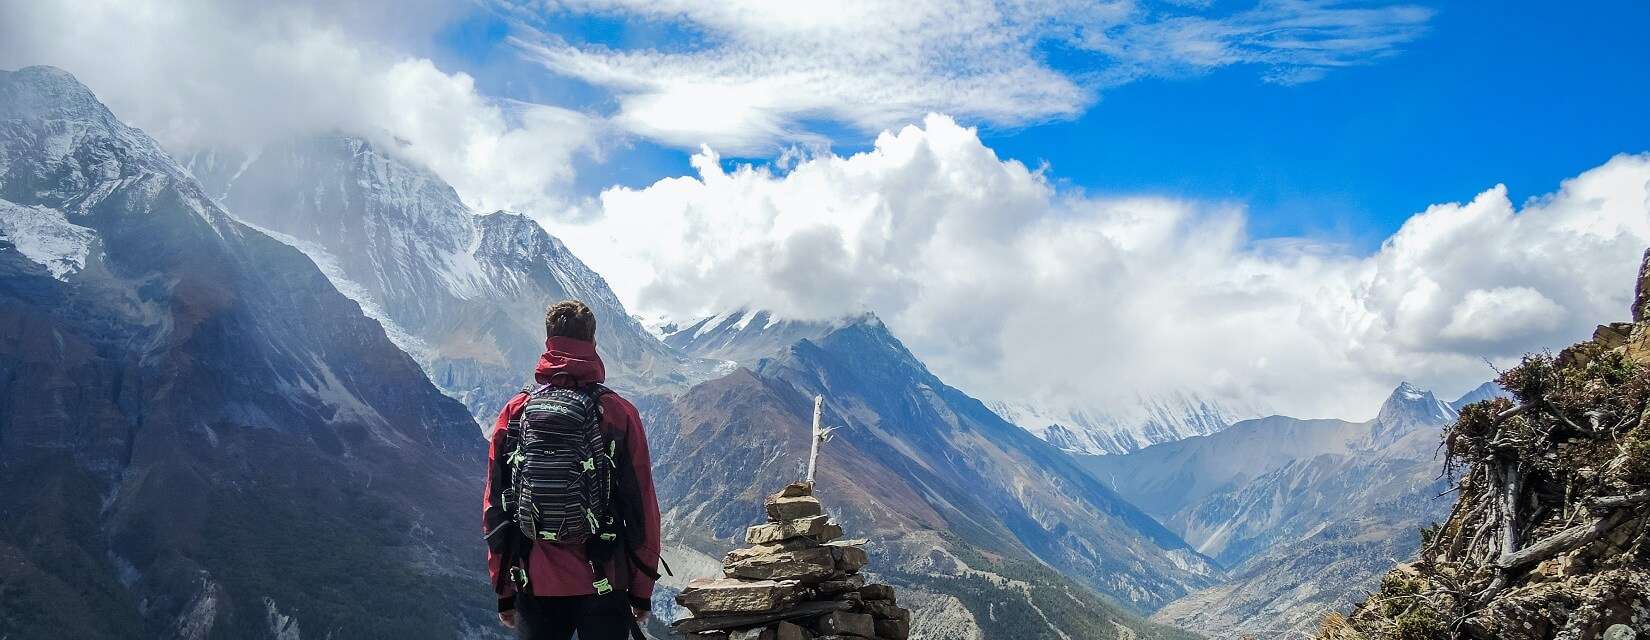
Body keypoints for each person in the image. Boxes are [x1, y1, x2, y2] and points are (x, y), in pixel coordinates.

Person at [483, 300, 662, 640]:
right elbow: (642, 508)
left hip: (534, 580)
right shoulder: (618, 413)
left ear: (548, 343)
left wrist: (503, 588)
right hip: (604, 578)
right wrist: (642, 587)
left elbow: (495, 508)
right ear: (593, 344)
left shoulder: (516, 412)